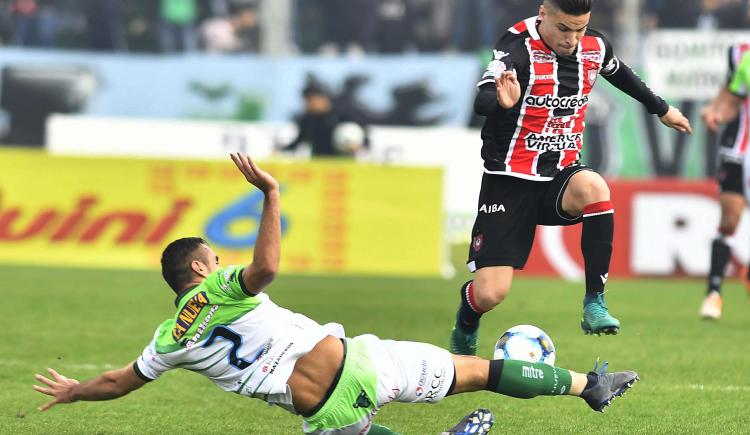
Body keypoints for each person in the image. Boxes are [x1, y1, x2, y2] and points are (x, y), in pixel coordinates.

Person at [33, 153, 639, 435]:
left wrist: (74, 392)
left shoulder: (170, 337)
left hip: (317, 413)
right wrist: (271, 195)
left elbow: (120, 381)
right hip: (352, 365)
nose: (223, 262)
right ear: (198, 267)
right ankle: (590, 388)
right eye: (215, 257)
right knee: (475, 370)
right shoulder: (216, 288)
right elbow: (266, 268)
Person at [449, 0, 692, 355]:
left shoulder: (593, 45)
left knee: (595, 186)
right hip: (509, 181)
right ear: (544, 12)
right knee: (490, 293)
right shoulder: (515, 48)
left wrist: (662, 108)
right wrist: (502, 102)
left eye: (580, 29)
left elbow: (620, 72)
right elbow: (483, 98)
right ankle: (467, 319)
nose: (572, 39)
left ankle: (595, 301)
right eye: (564, 29)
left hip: (559, 175)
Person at [700, 42, 750, 319]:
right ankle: (713, 294)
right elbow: (733, 98)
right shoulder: (742, 56)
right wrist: (715, 113)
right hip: (739, 149)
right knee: (730, 219)